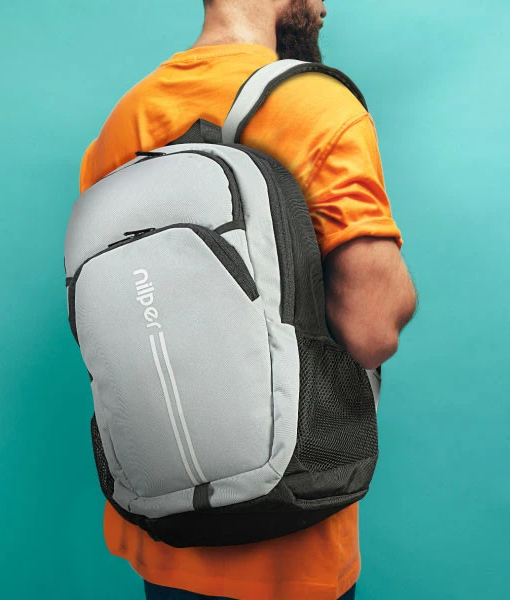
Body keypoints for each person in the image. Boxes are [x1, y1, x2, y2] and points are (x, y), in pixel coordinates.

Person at [79, 0, 418, 598]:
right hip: (292, 541)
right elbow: (373, 330)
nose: (323, 6)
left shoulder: (120, 125)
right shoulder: (314, 103)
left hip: (163, 532)